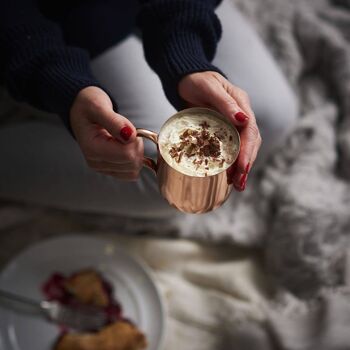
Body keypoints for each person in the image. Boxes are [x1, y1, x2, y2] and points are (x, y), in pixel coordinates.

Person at [0, 0, 297, 218]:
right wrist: (62, 84)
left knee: (272, 116)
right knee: (157, 180)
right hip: (58, 23)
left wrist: (186, 55)